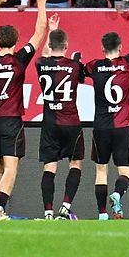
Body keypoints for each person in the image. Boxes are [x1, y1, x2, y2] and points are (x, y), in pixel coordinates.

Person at [0, 0, 51, 220]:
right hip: (10, 118)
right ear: (16, 41)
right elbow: (40, 32)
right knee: (11, 166)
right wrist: (40, 3)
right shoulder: (19, 60)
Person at [83, 13, 129, 220]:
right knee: (126, 171)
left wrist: (77, 60)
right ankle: (117, 194)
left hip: (101, 127)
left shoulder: (94, 66)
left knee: (100, 171)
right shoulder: (128, 62)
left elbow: (78, 73)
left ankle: (102, 214)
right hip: (122, 125)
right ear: (121, 46)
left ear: (102, 48)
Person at [35, 15, 85, 220]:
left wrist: (51, 31)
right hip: (71, 121)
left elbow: (46, 53)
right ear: (66, 46)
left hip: (50, 123)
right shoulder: (74, 66)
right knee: (75, 163)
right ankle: (65, 208)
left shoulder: (41, 63)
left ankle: (48, 212)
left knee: (50, 166)